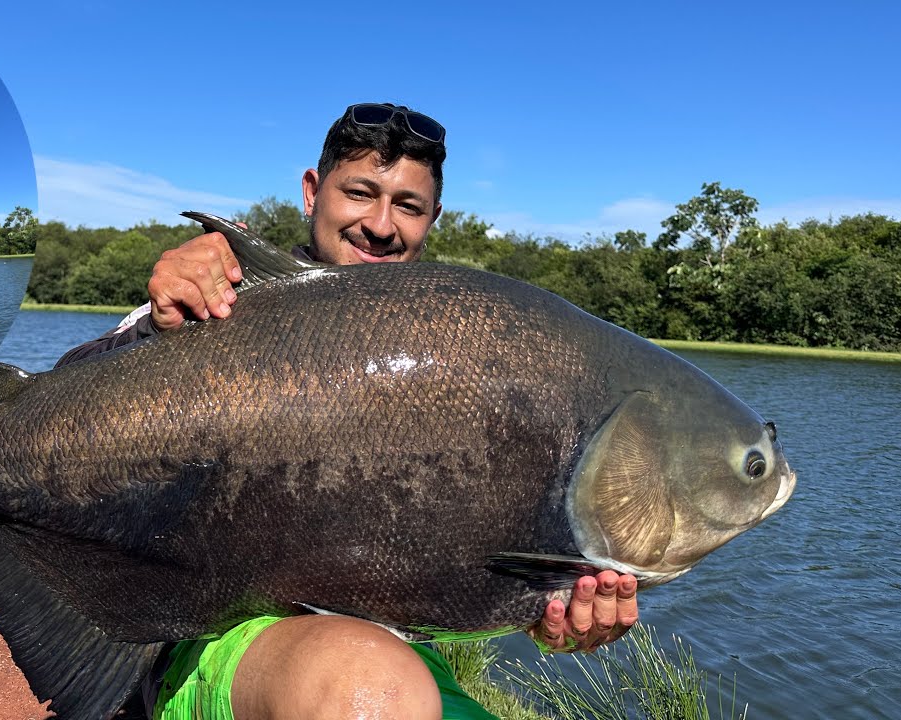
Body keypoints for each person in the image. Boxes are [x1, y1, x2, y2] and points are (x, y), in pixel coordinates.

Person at [58, 103, 640, 720]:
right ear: (313, 191)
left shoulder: (454, 349)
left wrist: (545, 609)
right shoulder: (220, 293)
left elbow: (473, 560)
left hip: (401, 659)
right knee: (376, 693)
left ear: (433, 218)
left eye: (408, 206)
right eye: (360, 193)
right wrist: (157, 323)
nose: (381, 225)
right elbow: (61, 414)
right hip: (213, 640)